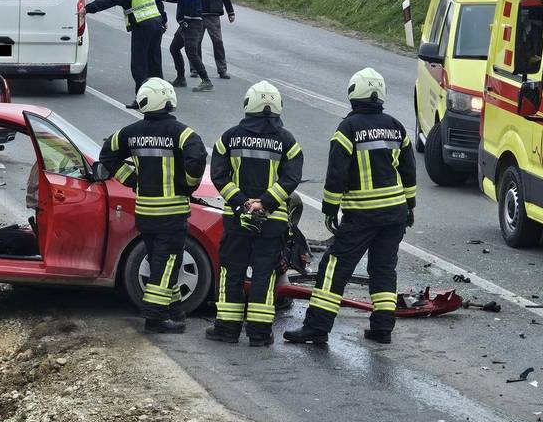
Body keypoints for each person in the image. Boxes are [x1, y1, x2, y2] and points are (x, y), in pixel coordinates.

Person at [284, 68, 417, 345]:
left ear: (353, 94)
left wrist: (330, 209)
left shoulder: (348, 129)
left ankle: (316, 328)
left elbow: (337, 174)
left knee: (334, 268)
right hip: (394, 213)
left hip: (362, 215)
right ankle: (382, 329)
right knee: (383, 269)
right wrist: (409, 206)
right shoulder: (396, 126)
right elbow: (408, 170)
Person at [99, 78, 208, 333]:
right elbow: (197, 159)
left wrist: (133, 180)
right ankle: (155, 317)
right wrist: (187, 185)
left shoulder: (130, 132)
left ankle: (174, 309)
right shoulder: (182, 133)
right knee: (167, 262)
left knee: (161, 261)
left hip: (145, 212)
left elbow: (107, 156)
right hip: (171, 212)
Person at [206, 81, 303, 347]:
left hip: (237, 219)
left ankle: (227, 329)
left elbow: (219, 176)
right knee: (264, 274)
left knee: (232, 271)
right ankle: (259, 334)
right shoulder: (288, 141)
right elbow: (290, 179)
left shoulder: (229, 137)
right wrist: (266, 203)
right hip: (272, 221)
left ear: (249, 105)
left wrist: (242, 204)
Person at [84, 0, 167, 108]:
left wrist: (88, 8)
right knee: (154, 62)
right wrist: (163, 20)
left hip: (142, 26)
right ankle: (161, 98)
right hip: (156, 25)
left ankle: (142, 100)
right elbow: (158, 3)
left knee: (139, 65)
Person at [164, 0, 213, 92]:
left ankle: (206, 80)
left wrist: (185, 21)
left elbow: (190, 3)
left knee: (191, 52)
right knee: (174, 48)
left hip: (191, 24)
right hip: (187, 23)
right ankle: (180, 78)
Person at [192, 0, 235, 79]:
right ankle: (195, 69)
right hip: (197, 16)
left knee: (217, 42)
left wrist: (230, 12)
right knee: (195, 43)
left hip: (212, 16)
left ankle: (222, 70)